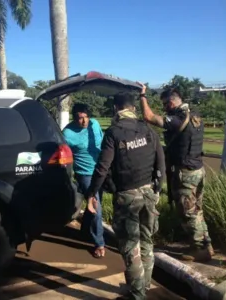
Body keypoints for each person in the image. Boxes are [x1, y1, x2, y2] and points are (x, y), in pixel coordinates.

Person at [86, 92, 165, 300]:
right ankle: (143, 286)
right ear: (133, 108)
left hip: (127, 198)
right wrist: (158, 189)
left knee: (131, 248)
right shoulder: (147, 129)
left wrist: (92, 193)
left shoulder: (114, 133)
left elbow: (103, 167)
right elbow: (160, 160)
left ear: (115, 109)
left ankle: (137, 295)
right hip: (149, 193)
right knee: (147, 243)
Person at [136, 82, 214, 262]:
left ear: (171, 103)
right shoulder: (195, 116)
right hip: (198, 169)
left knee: (188, 211)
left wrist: (142, 96)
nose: (164, 108)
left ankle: (199, 249)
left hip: (185, 173)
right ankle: (206, 243)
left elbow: (148, 116)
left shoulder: (178, 118)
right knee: (197, 210)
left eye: (164, 104)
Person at [62, 103, 106, 258]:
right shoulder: (67, 133)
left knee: (92, 205)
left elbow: (103, 141)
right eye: (80, 118)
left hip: (101, 171)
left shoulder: (95, 124)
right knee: (96, 207)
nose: (84, 121)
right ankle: (99, 243)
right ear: (75, 118)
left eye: (86, 117)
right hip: (85, 174)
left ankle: (85, 230)